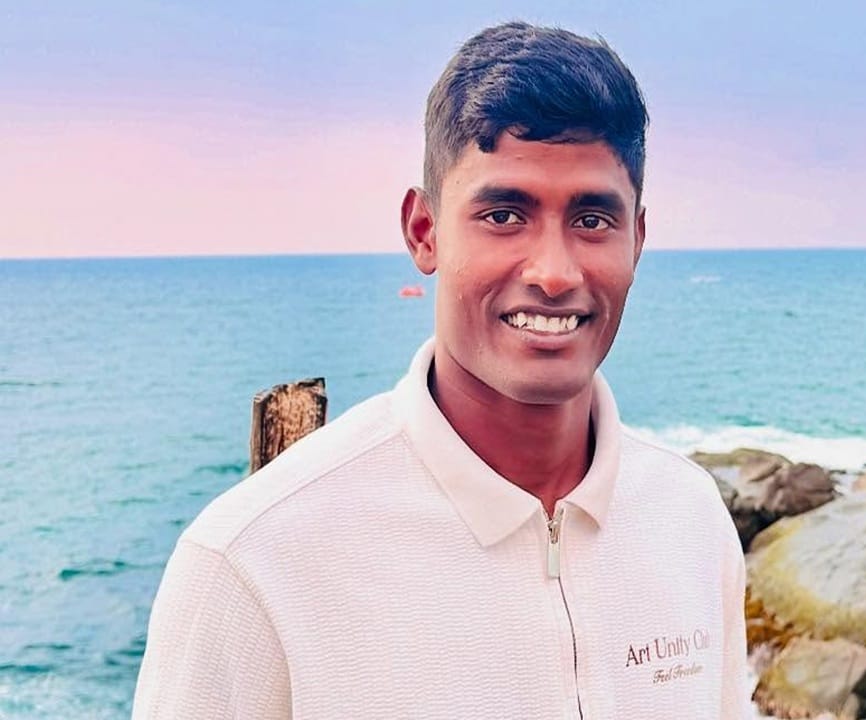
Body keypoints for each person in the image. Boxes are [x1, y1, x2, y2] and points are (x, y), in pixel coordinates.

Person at [132, 21, 748, 720]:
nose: (554, 272)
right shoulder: (253, 563)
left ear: (637, 238)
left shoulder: (688, 518)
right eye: (504, 215)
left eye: (592, 220)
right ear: (424, 232)